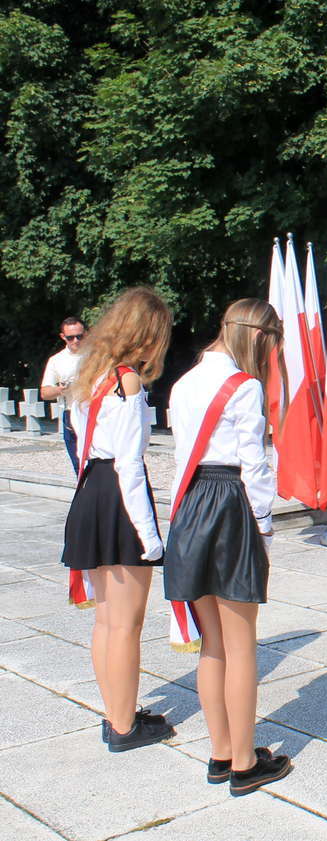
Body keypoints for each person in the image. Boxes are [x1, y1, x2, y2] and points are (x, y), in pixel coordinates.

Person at [164, 299, 293, 795]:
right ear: (260, 337)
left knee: (212, 643)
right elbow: (253, 466)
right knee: (241, 646)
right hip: (230, 503)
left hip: (191, 504)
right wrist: (262, 528)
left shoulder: (184, 381)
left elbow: (180, 456)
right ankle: (245, 763)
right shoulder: (246, 386)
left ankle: (221, 752)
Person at [60, 288, 173, 752]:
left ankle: (116, 713)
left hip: (91, 491)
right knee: (126, 624)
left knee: (107, 621)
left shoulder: (90, 373)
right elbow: (130, 465)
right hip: (119, 498)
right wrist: (151, 538)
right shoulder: (126, 381)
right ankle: (125, 727)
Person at [41, 316, 88, 474]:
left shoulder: (97, 355)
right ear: (63, 337)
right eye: (70, 338)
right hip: (71, 412)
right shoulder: (57, 360)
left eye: (79, 336)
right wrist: (61, 389)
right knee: (79, 464)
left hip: (97, 411)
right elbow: (45, 392)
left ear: (86, 334)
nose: (75, 341)